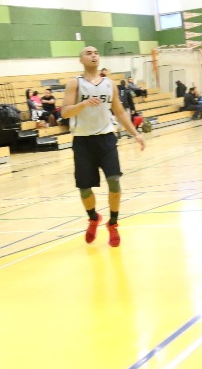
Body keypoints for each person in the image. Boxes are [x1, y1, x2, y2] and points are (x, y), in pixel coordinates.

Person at [61, 46, 145, 248]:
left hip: (106, 138)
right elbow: (64, 112)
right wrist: (82, 104)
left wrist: (135, 133)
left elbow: (120, 112)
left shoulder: (110, 84)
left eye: (96, 53)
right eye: (89, 53)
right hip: (82, 141)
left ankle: (113, 223)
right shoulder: (75, 83)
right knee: (84, 188)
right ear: (81, 59)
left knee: (114, 180)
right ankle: (93, 218)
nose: (93, 55)